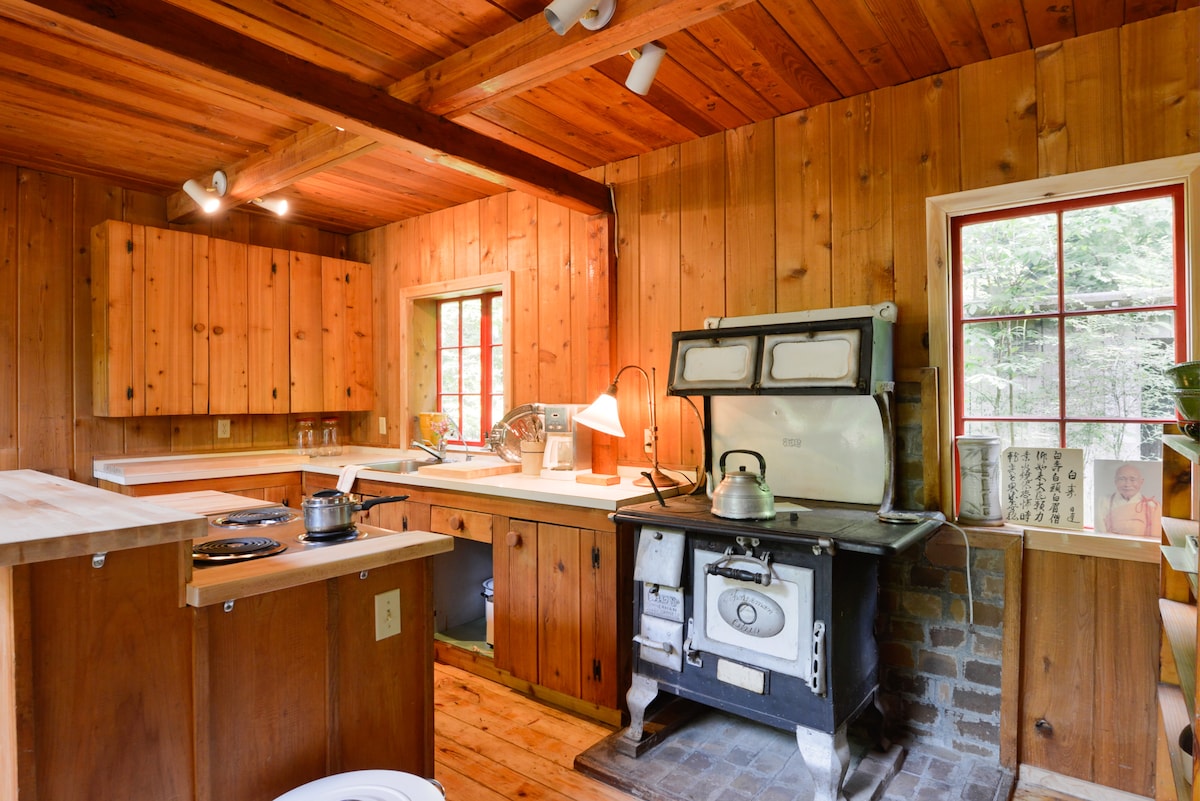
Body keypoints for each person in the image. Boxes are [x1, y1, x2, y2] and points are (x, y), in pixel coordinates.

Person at [1097, 462, 1162, 537]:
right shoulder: (1104, 502)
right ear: (1115, 481)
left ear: (1141, 482)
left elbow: (1155, 537)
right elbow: (1100, 534)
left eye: (1132, 479)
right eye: (1122, 479)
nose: (1127, 484)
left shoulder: (1152, 506)